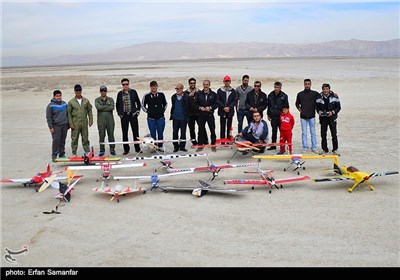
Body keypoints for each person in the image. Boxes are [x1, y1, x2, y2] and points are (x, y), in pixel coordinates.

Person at [116, 78, 141, 155]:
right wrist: (120, 114)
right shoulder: (120, 94)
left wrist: (137, 112)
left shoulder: (133, 92)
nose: (125, 86)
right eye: (124, 84)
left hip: (133, 115)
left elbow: (138, 102)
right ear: (122, 85)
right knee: (124, 133)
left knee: (136, 132)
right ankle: (126, 149)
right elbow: (117, 105)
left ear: (129, 84)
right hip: (124, 116)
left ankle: (137, 148)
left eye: (127, 84)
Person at [68, 84, 93, 156]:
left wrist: (91, 120)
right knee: (74, 138)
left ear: (81, 91)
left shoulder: (86, 101)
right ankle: (74, 153)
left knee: (85, 137)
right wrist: (71, 123)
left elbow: (89, 110)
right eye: (77, 90)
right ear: (74, 91)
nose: (78, 92)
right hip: (75, 122)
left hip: (84, 122)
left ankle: (87, 151)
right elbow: (69, 113)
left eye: (79, 90)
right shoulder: (71, 102)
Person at [141, 80, 168, 150]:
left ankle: (160, 146)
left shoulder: (161, 95)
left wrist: (162, 110)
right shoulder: (146, 96)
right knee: (152, 133)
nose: (154, 87)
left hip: (160, 117)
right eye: (152, 86)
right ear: (150, 87)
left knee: (160, 132)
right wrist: (148, 111)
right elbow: (142, 105)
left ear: (157, 86)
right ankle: (154, 147)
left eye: (155, 86)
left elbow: (165, 104)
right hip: (151, 118)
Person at [195, 79, 220, 152]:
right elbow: (195, 104)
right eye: (204, 84)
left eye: (207, 84)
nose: (205, 86)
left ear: (209, 85)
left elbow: (216, 104)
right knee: (200, 130)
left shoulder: (213, 94)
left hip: (210, 115)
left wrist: (210, 107)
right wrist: (200, 108)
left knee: (212, 129)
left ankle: (213, 145)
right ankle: (200, 145)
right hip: (201, 115)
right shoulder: (199, 94)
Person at [295, 79, 319, 154]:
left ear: (310, 84)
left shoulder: (315, 93)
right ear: (304, 85)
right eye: (306, 84)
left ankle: (314, 147)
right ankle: (305, 147)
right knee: (304, 133)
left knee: (313, 132)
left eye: (308, 84)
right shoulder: (300, 94)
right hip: (303, 117)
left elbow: (323, 95)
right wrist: (300, 110)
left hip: (312, 116)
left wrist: (332, 93)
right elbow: (297, 103)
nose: (307, 85)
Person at [316, 83, 341, 155]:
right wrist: (319, 112)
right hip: (323, 118)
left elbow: (338, 107)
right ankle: (324, 149)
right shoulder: (319, 97)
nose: (325, 90)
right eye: (324, 89)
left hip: (332, 118)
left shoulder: (335, 96)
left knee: (334, 134)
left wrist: (332, 112)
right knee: (323, 135)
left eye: (327, 89)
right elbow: (316, 107)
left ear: (329, 89)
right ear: (322, 89)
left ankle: (335, 149)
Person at [46, 90, 69, 161]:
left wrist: (68, 124)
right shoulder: (50, 106)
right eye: (57, 96)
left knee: (63, 140)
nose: (59, 97)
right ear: (54, 96)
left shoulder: (64, 104)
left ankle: (62, 154)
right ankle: (54, 155)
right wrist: (51, 127)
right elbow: (48, 117)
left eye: (60, 96)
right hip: (56, 126)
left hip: (64, 125)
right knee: (56, 140)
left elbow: (67, 114)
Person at [267, 81, 289, 150]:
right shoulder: (270, 95)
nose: (276, 89)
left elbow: (287, 106)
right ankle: (273, 145)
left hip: (281, 117)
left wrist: (285, 116)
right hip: (273, 116)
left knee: (282, 132)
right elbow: (269, 106)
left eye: (278, 87)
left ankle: (282, 146)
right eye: (275, 87)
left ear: (280, 88)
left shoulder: (284, 96)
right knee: (274, 131)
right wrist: (268, 114)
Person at [95, 85, 116, 156]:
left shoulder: (111, 99)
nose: (103, 92)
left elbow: (112, 107)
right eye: (102, 91)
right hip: (101, 120)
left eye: (104, 91)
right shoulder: (97, 100)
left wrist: (103, 108)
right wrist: (107, 106)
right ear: (100, 92)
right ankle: (102, 149)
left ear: (106, 91)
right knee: (101, 135)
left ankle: (112, 149)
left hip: (110, 120)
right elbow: (98, 107)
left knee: (111, 135)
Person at [217, 75, 238, 140]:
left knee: (229, 126)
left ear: (230, 82)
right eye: (225, 81)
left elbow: (235, 100)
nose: (227, 82)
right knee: (222, 126)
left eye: (228, 81)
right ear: (223, 82)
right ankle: (222, 140)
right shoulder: (220, 90)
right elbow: (217, 100)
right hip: (222, 111)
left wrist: (229, 107)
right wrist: (224, 107)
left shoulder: (233, 91)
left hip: (230, 111)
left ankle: (228, 139)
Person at [170, 83, 189, 152]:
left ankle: (182, 146)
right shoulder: (173, 97)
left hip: (183, 118)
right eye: (176, 89)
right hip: (175, 118)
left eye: (178, 88)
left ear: (182, 89)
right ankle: (176, 146)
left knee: (183, 133)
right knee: (175, 133)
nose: (177, 90)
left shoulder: (186, 97)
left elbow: (188, 106)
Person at [185, 77, 203, 146]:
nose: (192, 84)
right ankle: (194, 141)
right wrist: (188, 97)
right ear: (189, 84)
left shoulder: (199, 92)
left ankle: (202, 140)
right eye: (191, 83)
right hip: (190, 114)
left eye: (194, 83)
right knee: (191, 129)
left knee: (201, 128)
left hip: (198, 113)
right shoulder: (186, 93)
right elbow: (184, 102)